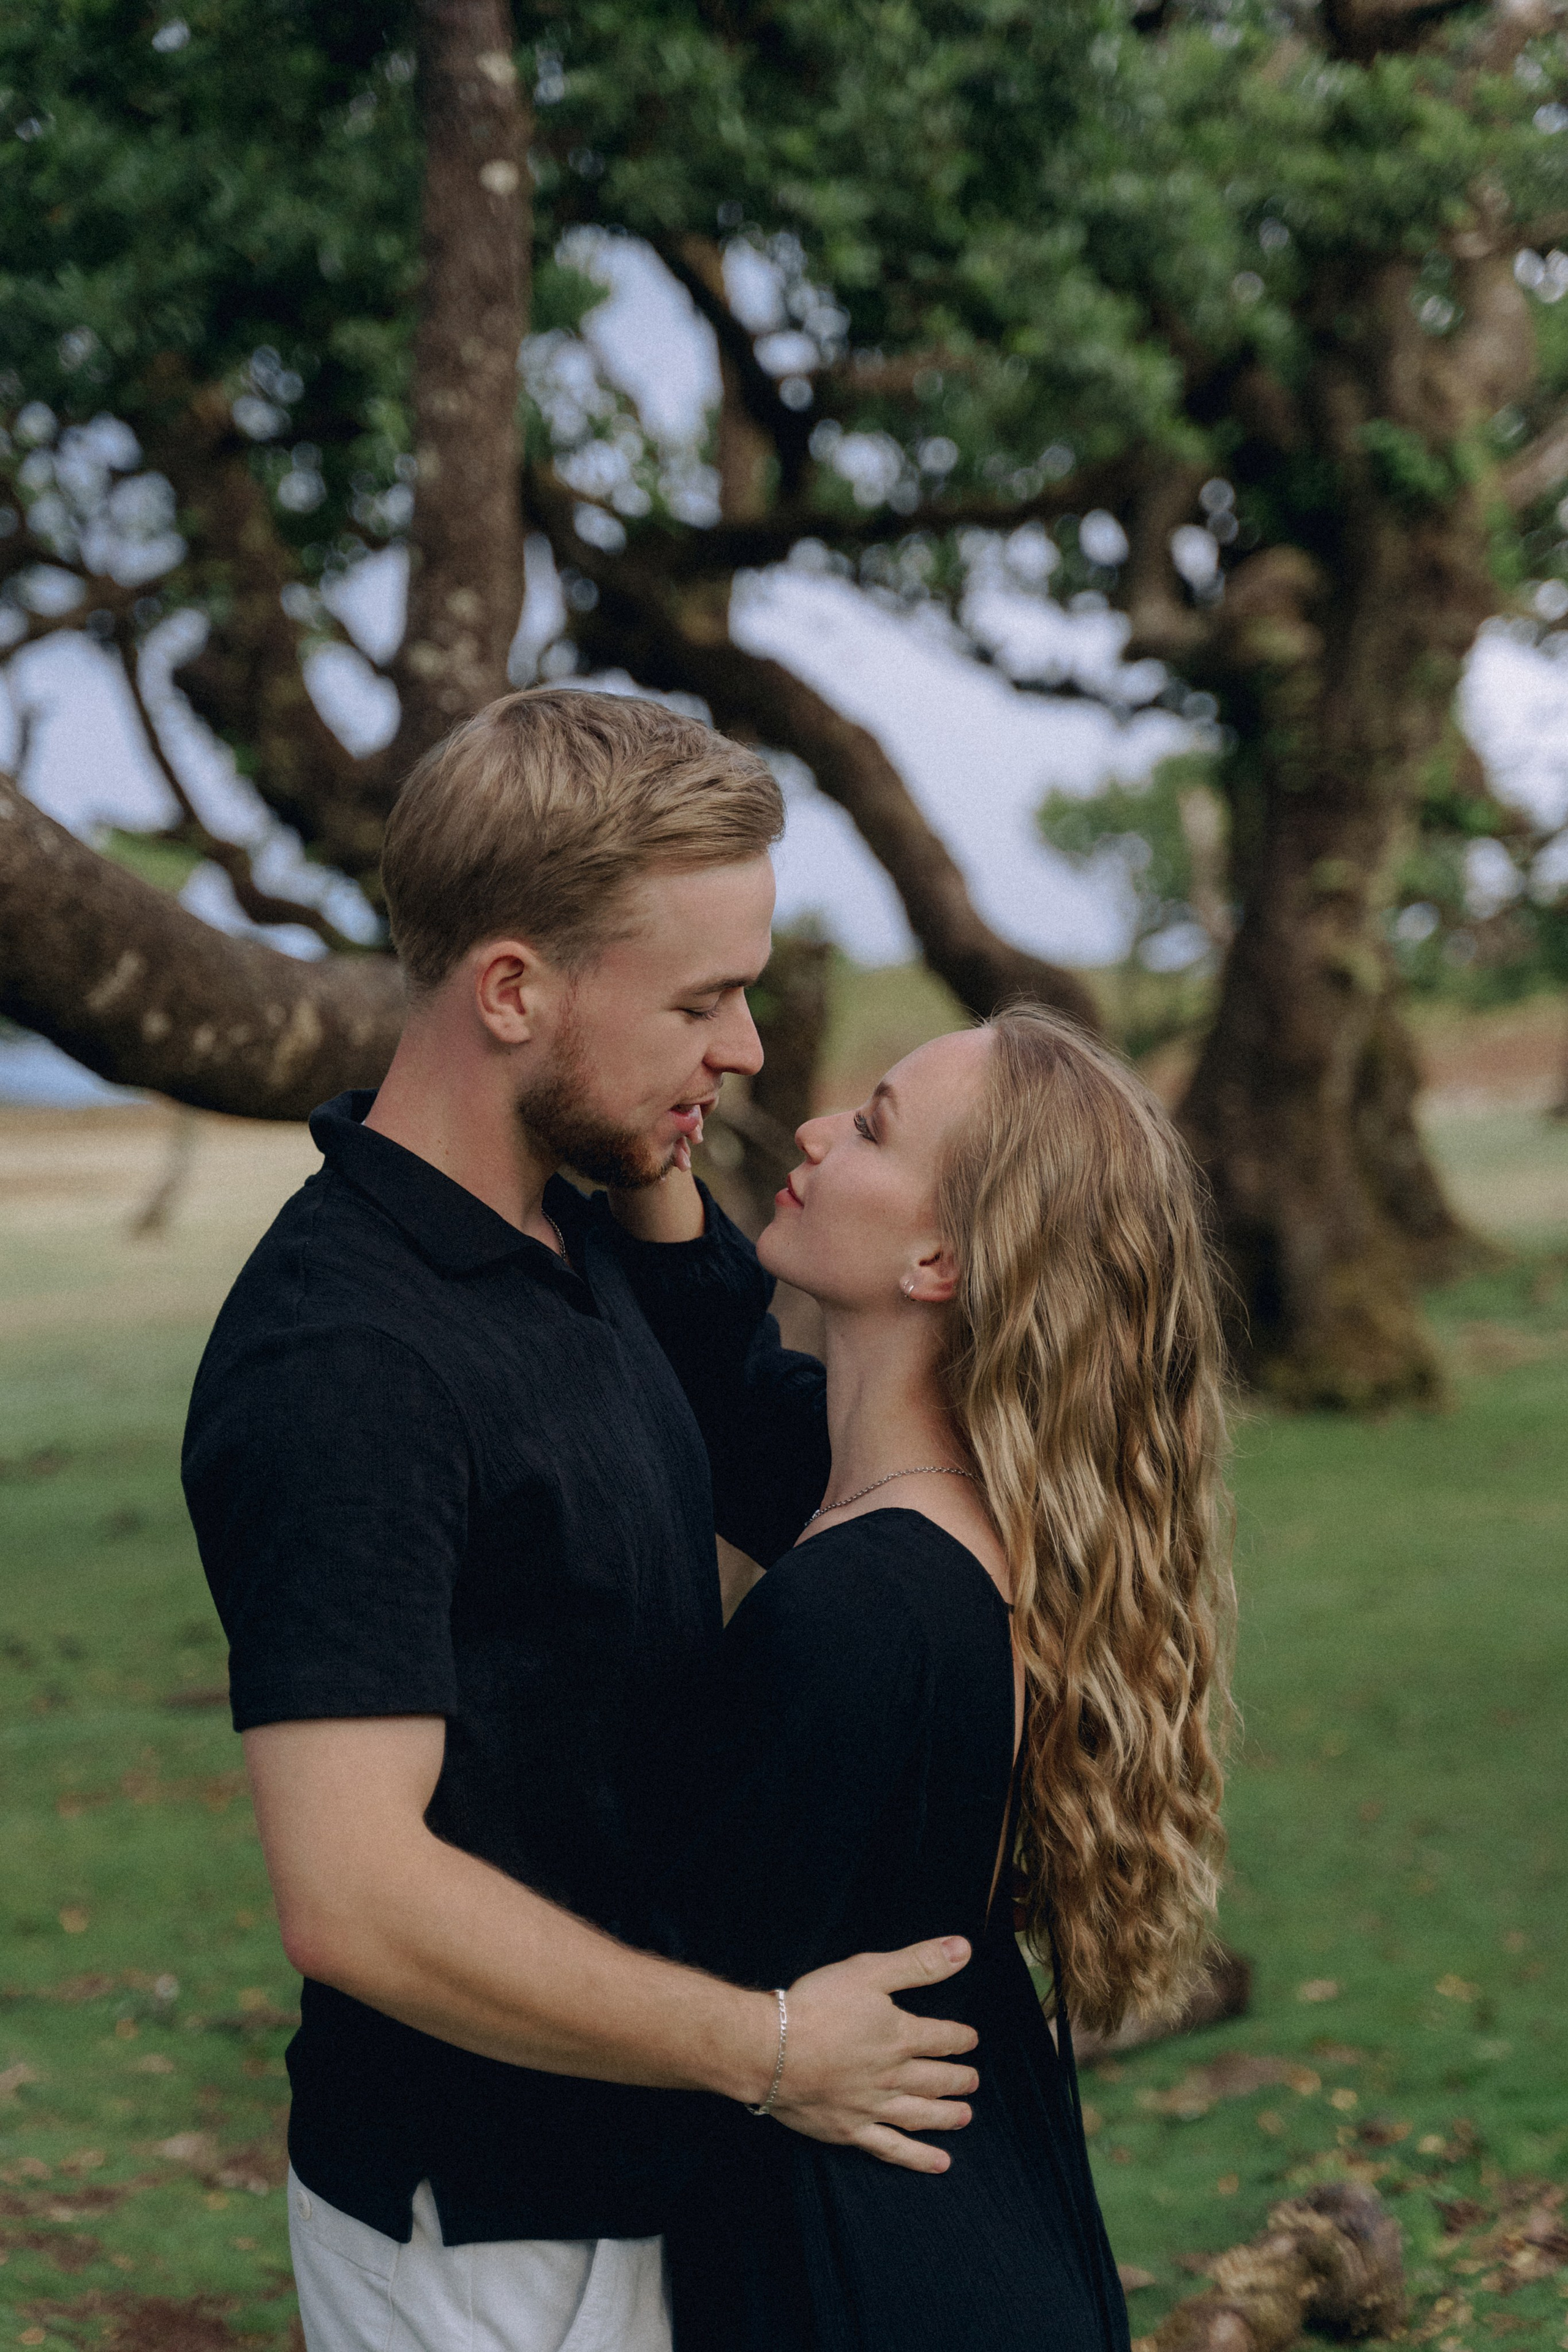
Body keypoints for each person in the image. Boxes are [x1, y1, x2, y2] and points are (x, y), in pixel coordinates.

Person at [181, 689, 981, 2352]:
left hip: (655, 2180)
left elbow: (766, 1438)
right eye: (703, 999)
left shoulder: (570, 1239)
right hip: (491, 2243)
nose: (750, 1048)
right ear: (513, 988)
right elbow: (353, 1891)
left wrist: (650, 1136)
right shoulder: (351, 1357)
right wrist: (769, 2048)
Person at [603, 1006, 1235, 2351]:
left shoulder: (858, 1613)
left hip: (870, 2277)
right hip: (968, 2225)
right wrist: (646, 1144)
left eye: (874, 1126)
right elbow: (732, 1394)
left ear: (940, 1257)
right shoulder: (943, 1528)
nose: (817, 1131)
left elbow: (669, 1978)